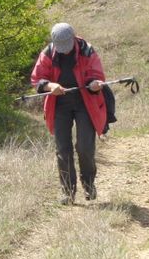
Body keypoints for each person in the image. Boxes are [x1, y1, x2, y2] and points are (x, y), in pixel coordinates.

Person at [30, 23, 107, 205]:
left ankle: (88, 184)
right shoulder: (48, 53)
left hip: (85, 102)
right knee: (63, 150)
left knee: (84, 147)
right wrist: (50, 86)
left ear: (74, 38)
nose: (64, 51)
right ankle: (67, 192)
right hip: (58, 105)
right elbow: (37, 79)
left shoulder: (87, 51)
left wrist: (95, 84)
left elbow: (98, 76)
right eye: (60, 47)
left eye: (67, 46)